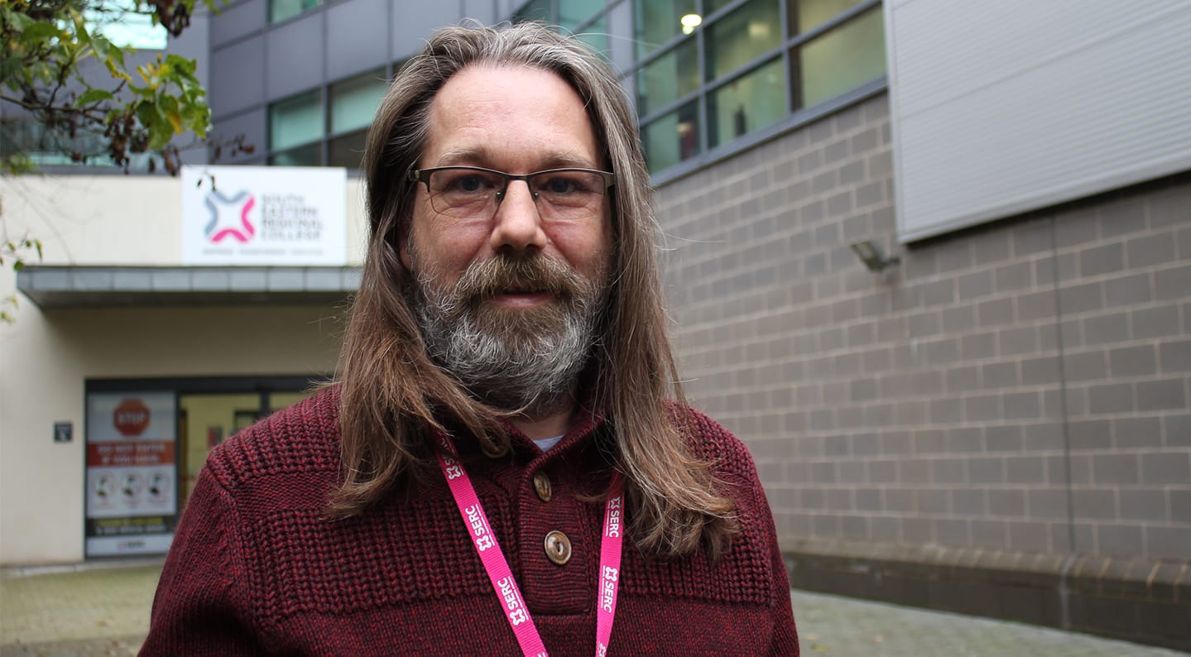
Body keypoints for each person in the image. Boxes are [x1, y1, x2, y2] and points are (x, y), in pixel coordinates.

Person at [140, 22, 799, 657]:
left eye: (563, 185)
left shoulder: (723, 480)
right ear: (399, 230)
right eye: (469, 184)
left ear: (618, 228)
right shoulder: (254, 501)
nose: (519, 226)